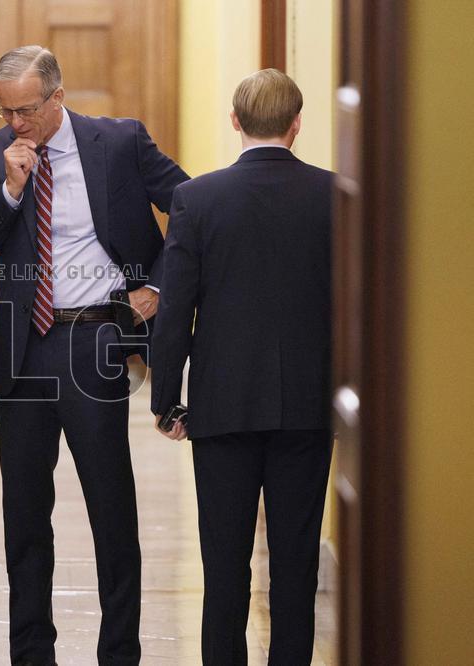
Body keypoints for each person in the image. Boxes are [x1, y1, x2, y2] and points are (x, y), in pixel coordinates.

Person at [0, 45, 189, 665]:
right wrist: (8, 189)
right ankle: (32, 652)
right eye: (5, 109)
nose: (16, 123)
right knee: (26, 512)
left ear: (57, 97)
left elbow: (190, 208)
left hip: (96, 342)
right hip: (24, 348)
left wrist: (157, 288)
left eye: (27, 109)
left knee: (110, 507)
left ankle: (119, 652)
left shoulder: (119, 142)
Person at [149, 68, 334, 666]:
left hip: (221, 405)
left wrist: (166, 400)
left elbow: (176, 309)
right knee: (296, 560)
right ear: (297, 124)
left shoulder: (197, 199)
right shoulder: (335, 195)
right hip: (308, 403)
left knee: (223, 564)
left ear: (235, 122)